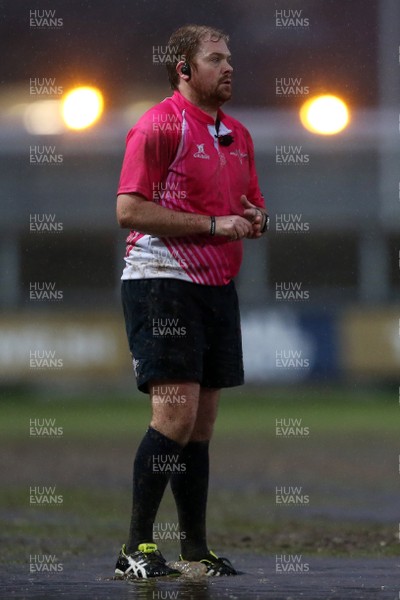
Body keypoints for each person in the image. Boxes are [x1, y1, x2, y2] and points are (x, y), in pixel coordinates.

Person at [114, 23, 269, 579]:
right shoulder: (158, 126)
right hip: (162, 279)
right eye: (215, 59)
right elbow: (129, 211)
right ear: (183, 69)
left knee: (200, 425)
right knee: (174, 417)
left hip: (215, 287)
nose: (228, 68)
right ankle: (136, 547)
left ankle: (195, 549)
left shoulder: (239, 134)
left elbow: (248, 205)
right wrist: (211, 223)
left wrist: (254, 218)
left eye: (230, 58)